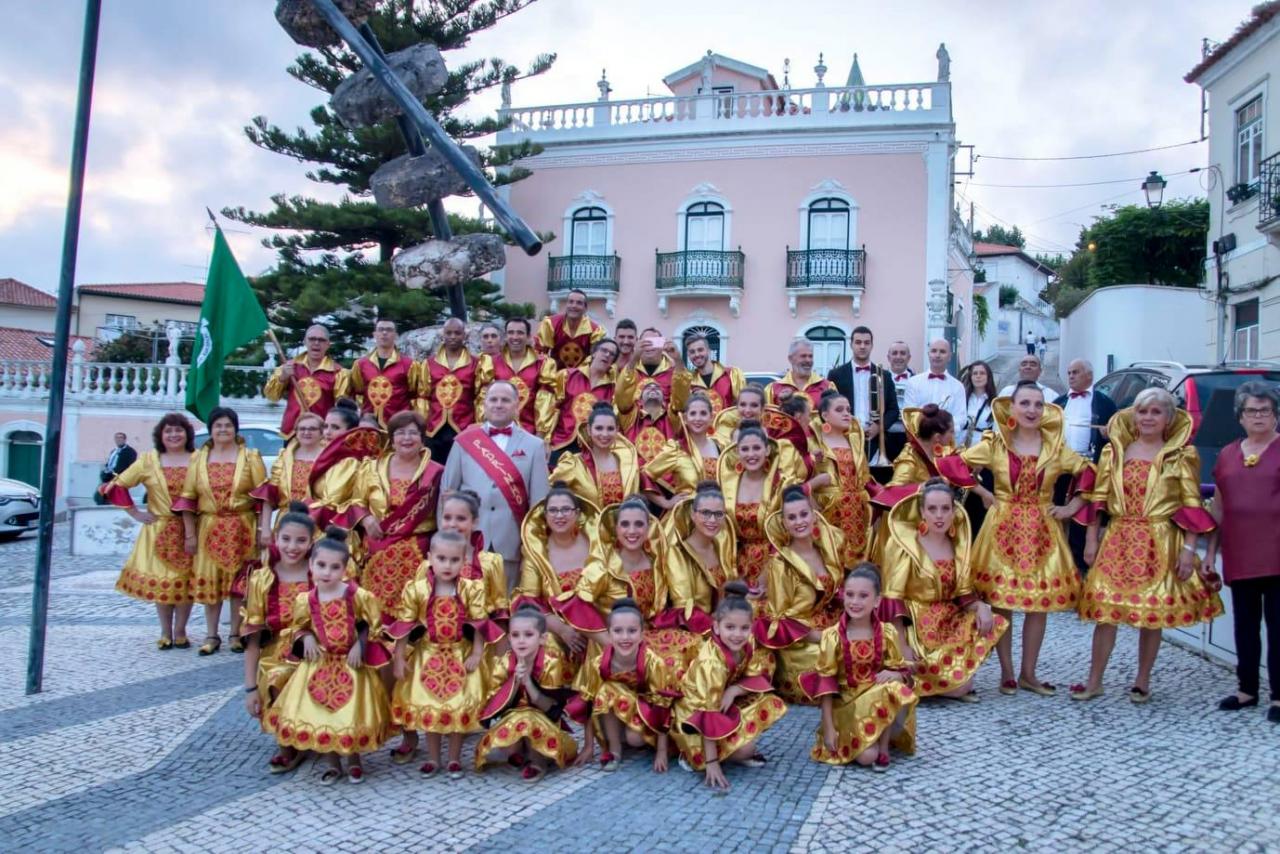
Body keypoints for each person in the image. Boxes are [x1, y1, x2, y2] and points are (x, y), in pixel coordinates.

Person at [937, 381, 1093, 696]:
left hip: (1042, 532)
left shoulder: (1056, 447)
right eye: (1025, 403)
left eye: (1038, 404)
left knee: (1038, 606)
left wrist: (1071, 507)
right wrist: (981, 491)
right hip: (1002, 529)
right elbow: (952, 464)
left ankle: (1029, 673)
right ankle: (1007, 672)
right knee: (1000, 602)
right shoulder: (995, 444)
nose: (1032, 410)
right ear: (1012, 407)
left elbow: (1089, 472)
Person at [1072, 389, 1223, 703]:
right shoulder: (1114, 452)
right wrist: (1090, 539)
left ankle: (1142, 680)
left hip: (1159, 538)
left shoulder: (1182, 455)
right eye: (1143, 411)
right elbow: (1098, 499)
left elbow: (1190, 503)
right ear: (1134, 415)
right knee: (1105, 611)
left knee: (1151, 611)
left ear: (1168, 418)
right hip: (1118, 537)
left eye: (1156, 412)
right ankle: (1094, 680)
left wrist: (1188, 549)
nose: (1148, 418)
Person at [263, 527, 391, 785]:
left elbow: (372, 626)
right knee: (322, 713)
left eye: (334, 567)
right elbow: (297, 627)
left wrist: (360, 645)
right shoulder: (305, 599)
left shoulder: (358, 596)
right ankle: (332, 763)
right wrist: (306, 637)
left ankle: (354, 760)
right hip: (318, 664)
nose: (327, 572)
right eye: (321, 565)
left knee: (349, 714)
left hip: (351, 665)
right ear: (311, 565)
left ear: (345, 570)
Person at [388, 530, 505, 779]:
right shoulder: (417, 589)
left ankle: (453, 758)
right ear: (430, 558)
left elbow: (479, 622)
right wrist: (399, 658)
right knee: (431, 708)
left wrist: (476, 652)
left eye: (454, 560)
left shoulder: (470, 589)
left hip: (459, 656)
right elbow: (405, 625)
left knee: (457, 709)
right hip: (427, 656)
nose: (447, 565)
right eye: (441, 558)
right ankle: (433, 758)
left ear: (464, 561)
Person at [880, 480, 1006, 700]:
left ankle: (943, 681)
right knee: (957, 686)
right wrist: (901, 646)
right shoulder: (903, 545)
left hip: (948, 621)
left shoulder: (957, 542)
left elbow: (963, 593)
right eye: (932, 509)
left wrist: (981, 607)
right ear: (922, 512)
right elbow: (892, 600)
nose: (939, 515)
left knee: (991, 621)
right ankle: (933, 680)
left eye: (945, 509)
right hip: (916, 626)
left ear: (953, 511)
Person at [1206, 381, 1280, 722]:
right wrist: (1209, 554)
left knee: (1279, 626)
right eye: (1252, 410)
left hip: (1277, 551)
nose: (1259, 416)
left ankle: (1279, 696)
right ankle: (1247, 689)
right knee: (1244, 625)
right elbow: (1218, 507)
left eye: (1265, 410)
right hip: (1240, 551)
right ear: (1240, 416)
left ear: (1276, 415)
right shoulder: (1227, 454)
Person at [671, 581, 787, 790]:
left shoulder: (747, 644)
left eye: (744, 628)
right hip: (694, 715)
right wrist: (711, 763)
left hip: (722, 699)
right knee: (745, 750)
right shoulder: (711, 663)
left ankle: (733, 747)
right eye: (730, 627)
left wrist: (734, 690)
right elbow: (707, 712)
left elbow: (755, 676)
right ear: (716, 626)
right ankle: (692, 754)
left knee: (768, 702)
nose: (737, 634)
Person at [801, 564, 917, 770]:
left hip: (877, 697)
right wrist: (828, 728)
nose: (855, 602)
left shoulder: (888, 632)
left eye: (863, 596)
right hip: (847, 706)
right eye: (850, 595)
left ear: (877, 601)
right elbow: (826, 685)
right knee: (865, 757)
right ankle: (870, 745)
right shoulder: (832, 636)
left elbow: (903, 671)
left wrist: (895, 674)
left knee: (893, 687)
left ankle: (883, 748)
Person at [100, 413, 196, 649]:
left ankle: (181, 630)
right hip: (159, 528)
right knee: (164, 582)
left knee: (186, 583)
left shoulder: (198, 459)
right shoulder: (148, 460)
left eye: (179, 430)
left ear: (187, 434)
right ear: (160, 435)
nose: (174, 435)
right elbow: (117, 485)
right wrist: (136, 514)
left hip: (191, 529)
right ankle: (165, 632)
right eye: (168, 431)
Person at [441, 381, 550, 588]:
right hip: (467, 545)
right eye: (493, 399)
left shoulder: (534, 445)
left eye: (505, 400)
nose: (499, 405)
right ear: (484, 404)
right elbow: (447, 495)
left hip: (511, 544)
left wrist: (533, 548)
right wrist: (446, 540)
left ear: (517, 405)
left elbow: (539, 503)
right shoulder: (463, 441)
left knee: (506, 611)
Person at [177, 407, 266, 657]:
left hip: (242, 527)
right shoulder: (198, 459)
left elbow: (261, 496)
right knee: (211, 585)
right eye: (218, 426)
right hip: (209, 527)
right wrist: (189, 533)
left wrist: (261, 529)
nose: (223, 430)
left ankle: (236, 633)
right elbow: (187, 497)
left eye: (228, 425)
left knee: (239, 583)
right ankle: (211, 634)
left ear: (235, 428)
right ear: (211, 429)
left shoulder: (250, 457)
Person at [240, 502, 314, 774]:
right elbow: (253, 637)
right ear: (276, 538)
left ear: (311, 542)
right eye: (286, 539)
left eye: (300, 540)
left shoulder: (321, 573)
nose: (292, 546)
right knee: (276, 676)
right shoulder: (262, 579)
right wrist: (249, 688)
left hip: (318, 650)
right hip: (276, 655)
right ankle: (288, 745)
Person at [756, 486, 846, 702]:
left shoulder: (825, 551)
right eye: (792, 517)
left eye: (804, 514)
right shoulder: (780, 565)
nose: (799, 522)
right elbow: (780, 619)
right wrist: (824, 638)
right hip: (799, 644)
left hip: (827, 627)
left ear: (813, 516)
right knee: (834, 663)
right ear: (785, 523)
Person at [352, 410, 444, 615]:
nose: (407, 438)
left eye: (413, 433)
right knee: (374, 609)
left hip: (417, 549)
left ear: (422, 439)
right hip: (377, 546)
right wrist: (366, 520)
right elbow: (357, 501)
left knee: (410, 607)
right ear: (392, 439)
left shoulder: (436, 472)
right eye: (400, 433)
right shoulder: (372, 468)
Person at [570, 599, 678, 772]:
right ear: (609, 634)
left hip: (645, 717)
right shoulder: (598, 664)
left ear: (643, 633)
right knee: (607, 691)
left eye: (632, 631)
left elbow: (662, 706)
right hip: (612, 714)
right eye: (618, 631)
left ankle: (633, 738)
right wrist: (588, 745)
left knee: (634, 739)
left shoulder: (654, 663)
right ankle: (614, 749)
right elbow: (588, 703)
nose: (625, 637)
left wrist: (662, 751)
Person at [473, 603, 579, 779]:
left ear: (542, 638)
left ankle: (537, 763)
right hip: (514, 718)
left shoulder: (551, 663)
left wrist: (528, 682)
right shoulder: (504, 663)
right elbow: (494, 707)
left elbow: (551, 709)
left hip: (545, 722)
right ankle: (520, 750)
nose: (521, 640)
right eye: (515, 635)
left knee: (529, 719)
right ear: (509, 638)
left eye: (528, 635)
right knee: (512, 736)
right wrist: (514, 682)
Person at [718, 422, 809, 594]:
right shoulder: (727, 483)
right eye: (745, 449)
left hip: (777, 562)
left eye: (756, 448)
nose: (751, 454)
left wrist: (769, 575)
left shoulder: (780, 484)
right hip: (737, 567)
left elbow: (790, 533)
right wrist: (731, 573)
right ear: (737, 452)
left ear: (767, 450)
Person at [514, 485, 603, 659]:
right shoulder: (536, 553)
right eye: (553, 510)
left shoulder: (596, 543)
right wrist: (563, 630)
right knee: (550, 656)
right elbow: (530, 603)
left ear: (577, 513)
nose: (559, 516)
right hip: (559, 630)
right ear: (545, 516)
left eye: (565, 510)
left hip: (600, 625)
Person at [1054, 359, 1117, 574]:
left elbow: (1118, 434)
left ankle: (1080, 563)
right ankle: (1057, 561)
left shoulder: (1105, 403)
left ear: (1089, 375)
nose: (1071, 376)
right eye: (1069, 372)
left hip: (1089, 466)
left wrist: (1109, 434)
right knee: (1055, 509)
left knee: (1083, 514)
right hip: (1060, 466)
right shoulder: (1059, 402)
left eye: (1076, 372)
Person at [657, 485, 739, 635]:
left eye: (718, 514)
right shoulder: (677, 554)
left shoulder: (720, 547)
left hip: (726, 625)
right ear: (693, 515)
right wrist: (719, 629)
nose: (712, 520)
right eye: (705, 513)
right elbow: (685, 610)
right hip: (695, 631)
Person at [811, 392, 876, 565]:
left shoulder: (855, 440)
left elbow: (865, 476)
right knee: (831, 556)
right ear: (825, 415)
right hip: (829, 509)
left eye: (848, 409)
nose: (846, 413)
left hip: (857, 510)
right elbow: (802, 477)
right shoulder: (815, 443)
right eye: (839, 410)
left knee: (856, 561)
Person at [826, 326, 900, 464]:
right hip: (845, 437)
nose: (862, 346)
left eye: (866, 343)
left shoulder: (884, 375)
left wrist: (878, 427)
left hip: (875, 440)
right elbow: (829, 408)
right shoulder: (835, 375)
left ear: (872, 345)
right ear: (851, 345)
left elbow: (893, 409)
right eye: (858, 342)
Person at [434, 489, 510, 620]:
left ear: (474, 522)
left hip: (478, 637)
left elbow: (499, 613)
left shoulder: (490, 562)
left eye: (461, 518)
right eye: (447, 517)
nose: (452, 524)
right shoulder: (430, 563)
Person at [262, 324, 348, 438]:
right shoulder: (289, 367)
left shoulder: (339, 373)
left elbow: (341, 409)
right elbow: (271, 396)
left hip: (321, 434)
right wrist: (283, 377)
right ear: (305, 342)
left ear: (328, 344)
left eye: (321, 340)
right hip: (292, 432)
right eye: (312, 339)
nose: (316, 343)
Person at [253, 412, 326, 547]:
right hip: (285, 522)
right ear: (296, 432)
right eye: (302, 429)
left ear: (322, 433)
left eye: (312, 429)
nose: (306, 432)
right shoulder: (284, 457)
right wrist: (265, 529)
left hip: (317, 524)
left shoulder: (329, 459)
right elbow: (270, 494)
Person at [476, 317, 558, 437]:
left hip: (530, 434)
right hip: (496, 433)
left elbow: (545, 400)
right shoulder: (490, 363)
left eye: (520, 333)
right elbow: (484, 399)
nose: (515, 337)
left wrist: (541, 436)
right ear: (505, 336)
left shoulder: (544, 364)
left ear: (529, 336)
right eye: (510, 332)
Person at [550, 403, 641, 509]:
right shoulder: (573, 464)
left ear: (617, 430)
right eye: (599, 428)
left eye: (610, 429)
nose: (605, 434)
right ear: (589, 430)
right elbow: (548, 492)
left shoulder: (628, 464)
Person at [645, 393, 725, 503]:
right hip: (685, 515)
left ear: (711, 417)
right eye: (693, 414)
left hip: (715, 514)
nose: (698, 418)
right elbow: (645, 475)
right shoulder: (676, 449)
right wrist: (666, 503)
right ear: (685, 418)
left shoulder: (720, 446)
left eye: (703, 413)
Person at [549, 338, 619, 462]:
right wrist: (546, 440)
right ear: (594, 353)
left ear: (613, 361)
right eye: (604, 350)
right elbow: (552, 410)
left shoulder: (613, 388)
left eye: (612, 354)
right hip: (562, 442)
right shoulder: (566, 376)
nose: (607, 355)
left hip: (593, 448)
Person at [420, 316, 478, 465]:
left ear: (464, 335)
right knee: (433, 472)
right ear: (442, 335)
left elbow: (480, 397)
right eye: (449, 333)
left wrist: (478, 425)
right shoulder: (429, 364)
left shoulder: (476, 363)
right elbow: (423, 396)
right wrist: (421, 426)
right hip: (434, 429)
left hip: (464, 427)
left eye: (457, 333)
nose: (453, 337)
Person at [348, 318, 422, 427]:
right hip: (368, 424)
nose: (384, 333)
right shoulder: (360, 364)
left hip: (398, 424)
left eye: (389, 330)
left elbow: (415, 395)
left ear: (396, 335)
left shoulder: (409, 365)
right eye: (380, 329)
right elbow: (356, 392)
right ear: (374, 334)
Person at [617, 327, 690, 420]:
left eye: (654, 342)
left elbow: (681, 406)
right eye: (645, 342)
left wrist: (678, 359)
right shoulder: (629, 372)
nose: (649, 346)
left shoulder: (675, 373)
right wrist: (634, 358)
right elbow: (621, 404)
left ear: (662, 345)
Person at [903, 339, 966, 431]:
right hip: (920, 438)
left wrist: (942, 431)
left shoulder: (958, 387)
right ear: (928, 354)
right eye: (934, 351)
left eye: (942, 352)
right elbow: (910, 413)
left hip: (947, 440)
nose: (937, 355)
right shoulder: (913, 383)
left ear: (949, 357)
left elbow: (960, 418)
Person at [536, 288, 605, 370]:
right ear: (566, 304)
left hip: (581, 378)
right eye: (571, 302)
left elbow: (595, 359)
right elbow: (540, 353)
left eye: (579, 303)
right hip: (553, 376)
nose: (574, 306)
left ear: (585, 308)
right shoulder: (551, 324)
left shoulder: (595, 331)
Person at [624, 382, 680, 478]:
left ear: (664, 401)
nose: (653, 388)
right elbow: (622, 398)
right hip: (636, 475)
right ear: (640, 401)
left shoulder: (673, 418)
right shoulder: (630, 418)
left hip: (668, 477)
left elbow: (680, 399)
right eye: (647, 387)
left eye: (657, 388)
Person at [685, 333, 743, 417]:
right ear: (688, 355)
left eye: (700, 350)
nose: (697, 354)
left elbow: (743, 408)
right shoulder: (688, 383)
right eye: (692, 352)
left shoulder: (732, 375)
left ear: (708, 351)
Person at [766, 339, 833, 408]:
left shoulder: (827, 387)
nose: (808, 360)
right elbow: (767, 417)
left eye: (810, 356)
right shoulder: (773, 389)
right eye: (803, 356)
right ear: (790, 359)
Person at [884, 341, 914, 465]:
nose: (898, 357)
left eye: (902, 353)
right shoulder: (879, 379)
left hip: (908, 436)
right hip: (885, 435)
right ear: (888, 357)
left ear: (909, 357)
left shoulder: (917, 381)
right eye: (894, 353)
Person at [960, 361, 997, 448]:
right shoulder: (961, 399)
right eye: (975, 373)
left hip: (983, 450)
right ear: (970, 377)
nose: (978, 376)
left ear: (988, 377)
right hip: (960, 449)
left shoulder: (994, 402)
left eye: (982, 373)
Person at [96, 432, 138, 504]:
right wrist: (105, 471)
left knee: (111, 495)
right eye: (117, 438)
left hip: (119, 477)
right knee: (101, 494)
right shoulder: (114, 451)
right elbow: (109, 463)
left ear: (125, 440)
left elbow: (130, 466)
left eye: (120, 438)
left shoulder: (130, 451)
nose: (118, 440)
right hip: (108, 476)